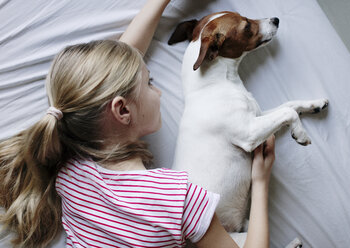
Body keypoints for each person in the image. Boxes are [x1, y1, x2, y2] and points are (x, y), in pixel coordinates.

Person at [0, 0, 275, 247]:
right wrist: (260, 181)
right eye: (150, 83)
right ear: (121, 109)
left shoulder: (71, 167)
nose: (159, 92)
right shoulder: (177, 198)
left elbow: (112, 70)